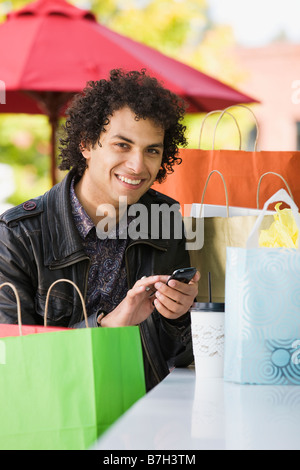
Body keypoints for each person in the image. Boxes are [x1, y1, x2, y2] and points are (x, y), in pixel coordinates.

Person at [0, 69, 200, 391]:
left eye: (152, 150)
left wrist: (178, 316)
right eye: (122, 145)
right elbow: (12, 363)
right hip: (53, 423)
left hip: (145, 416)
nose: (138, 166)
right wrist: (107, 325)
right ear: (86, 144)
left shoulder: (165, 218)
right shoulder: (17, 236)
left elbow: (181, 357)